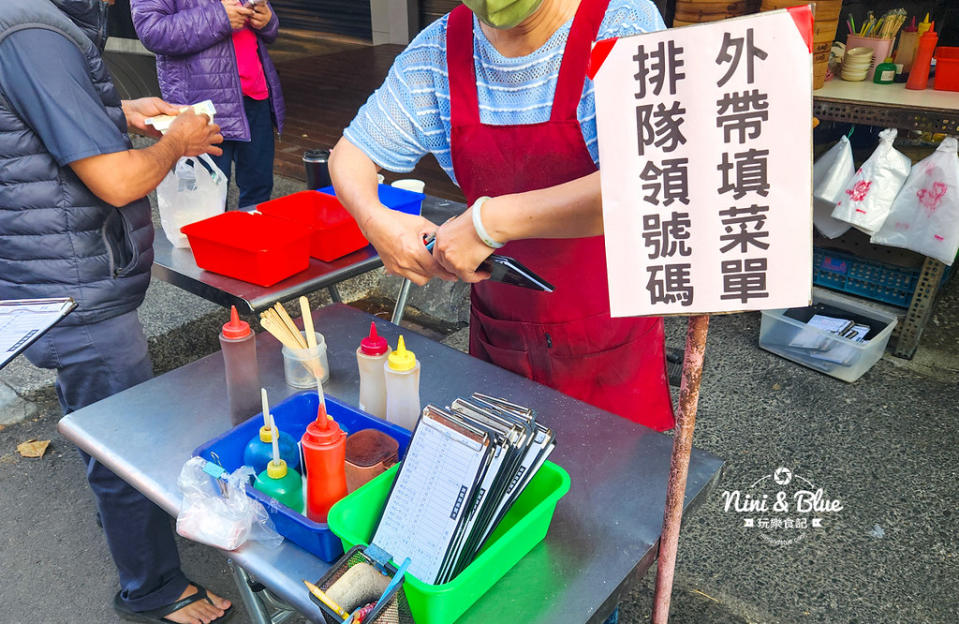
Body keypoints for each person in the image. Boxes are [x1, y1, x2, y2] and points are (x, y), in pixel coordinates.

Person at [329, 0, 675, 431]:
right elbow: (351, 154)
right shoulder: (441, 50)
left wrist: (488, 223)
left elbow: (651, 177)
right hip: (504, 330)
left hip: (608, 334)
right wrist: (374, 220)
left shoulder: (622, 23)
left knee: (610, 480)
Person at [0, 1, 232, 623]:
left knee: (114, 424)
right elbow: (118, 183)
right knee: (120, 439)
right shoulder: (34, 30)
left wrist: (119, 113)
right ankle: (152, 588)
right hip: (70, 283)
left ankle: (152, 559)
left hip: (56, 267)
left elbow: (32, 122)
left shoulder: (35, 21)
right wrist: (177, 143)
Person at [132, 0, 286, 207]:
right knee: (204, 203)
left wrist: (268, 21)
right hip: (202, 106)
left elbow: (265, 20)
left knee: (259, 193)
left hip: (256, 97)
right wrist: (219, 17)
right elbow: (152, 30)